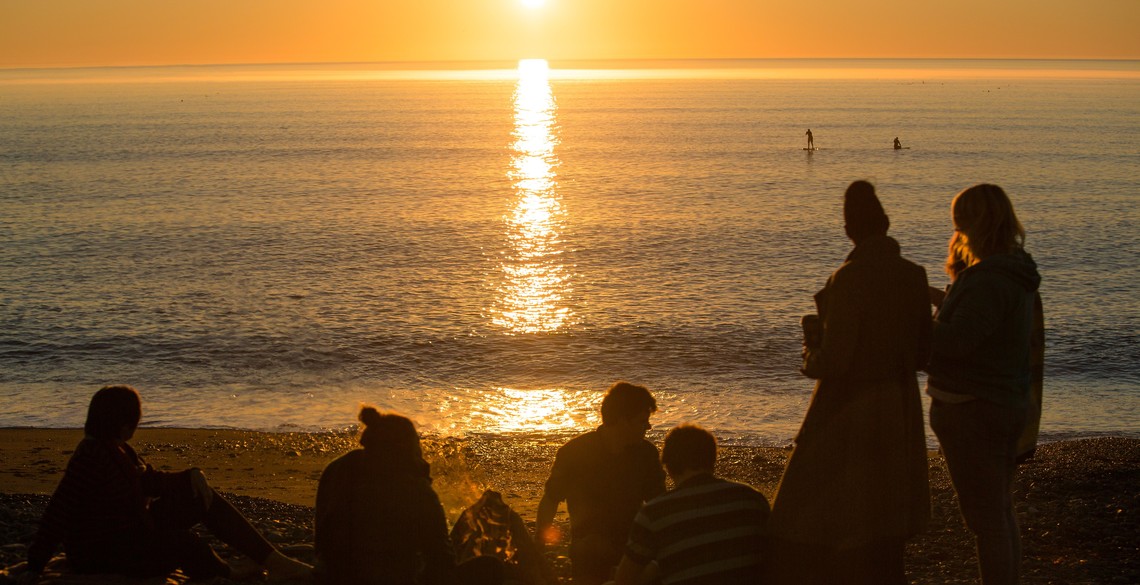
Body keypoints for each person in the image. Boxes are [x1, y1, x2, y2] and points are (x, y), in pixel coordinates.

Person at [767, 181, 932, 585]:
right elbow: (926, 353)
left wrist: (811, 349)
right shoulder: (914, 275)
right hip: (899, 405)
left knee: (816, 516)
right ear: (885, 223)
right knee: (885, 520)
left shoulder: (849, 278)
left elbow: (835, 361)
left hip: (849, 408)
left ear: (849, 229)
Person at [18, 385, 312, 583]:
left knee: (201, 496)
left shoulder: (118, 449)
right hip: (107, 553)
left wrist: (190, 476)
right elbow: (59, 512)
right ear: (123, 425)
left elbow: (148, 481)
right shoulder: (89, 457)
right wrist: (35, 565)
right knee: (184, 543)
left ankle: (272, 558)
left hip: (135, 529)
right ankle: (228, 573)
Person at [926, 184, 1041, 585]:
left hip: (973, 407)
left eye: (961, 222)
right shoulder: (1013, 268)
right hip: (1005, 401)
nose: (957, 231)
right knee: (1000, 511)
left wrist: (911, 321)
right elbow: (980, 323)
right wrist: (939, 299)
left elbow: (958, 342)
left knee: (986, 519)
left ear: (979, 222)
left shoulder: (988, 279)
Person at [535, 382, 666, 585]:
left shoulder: (646, 454)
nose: (647, 428)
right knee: (591, 548)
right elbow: (551, 499)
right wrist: (539, 547)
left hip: (632, 545)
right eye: (642, 422)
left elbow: (658, 505)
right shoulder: (575, 452)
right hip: (589, 547)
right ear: (622, 420)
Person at [607, 424, 769, 585]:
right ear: (712, 459)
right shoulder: (752, 499)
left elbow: (624, 580)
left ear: (668, 466)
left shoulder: (655, 513)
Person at [315, 406, 456, 585]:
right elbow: (441, 560)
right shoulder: (414, 488)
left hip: (331, 577)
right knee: (489, 566)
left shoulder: (338, 469)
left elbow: (322, 541)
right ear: (406, 448)